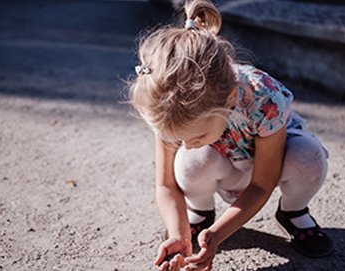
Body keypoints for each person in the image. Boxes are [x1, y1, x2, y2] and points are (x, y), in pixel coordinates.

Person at [128, 0, 332, 270]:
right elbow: (165, 185)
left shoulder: (263, 96)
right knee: (190, 160)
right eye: (179, 138)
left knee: (308, 158)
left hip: (268, 166)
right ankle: (199, 212)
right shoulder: (167, 103)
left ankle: (293, 211)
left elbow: (262, 184)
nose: (185, 144)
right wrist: (177, 233)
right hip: (223, 167)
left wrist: (219, 234)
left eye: (196, 135)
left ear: (231, 98)